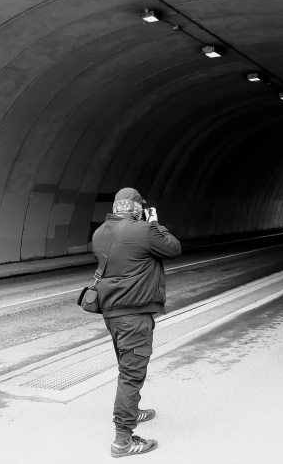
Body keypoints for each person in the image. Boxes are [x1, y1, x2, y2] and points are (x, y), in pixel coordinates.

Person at [92, 188, 181, 458]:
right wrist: (153, 221)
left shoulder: (100, 232)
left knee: (126, 367)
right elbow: (173, 248)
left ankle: (133, 411)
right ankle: (123, 440)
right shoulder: (143, 230)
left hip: (112, 314)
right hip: (135, 316)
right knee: (131, 375)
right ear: (137, 208)